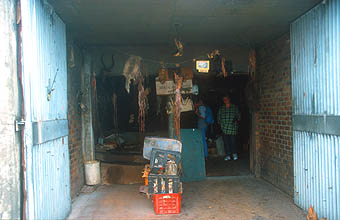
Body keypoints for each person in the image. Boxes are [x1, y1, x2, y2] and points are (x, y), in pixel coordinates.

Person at [217, 95, 240, 161]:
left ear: (229, 99)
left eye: (226, 99)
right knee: (226, 142)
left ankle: (234, 154)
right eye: (224, 99)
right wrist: (221, 124)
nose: (225, 100)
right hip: (224, 128)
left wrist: (236, 120)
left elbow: (239, 116)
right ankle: (228, 155)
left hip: (233, 128)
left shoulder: (234, 107)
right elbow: (218, 117)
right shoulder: (221, 108)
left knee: (233, 142)